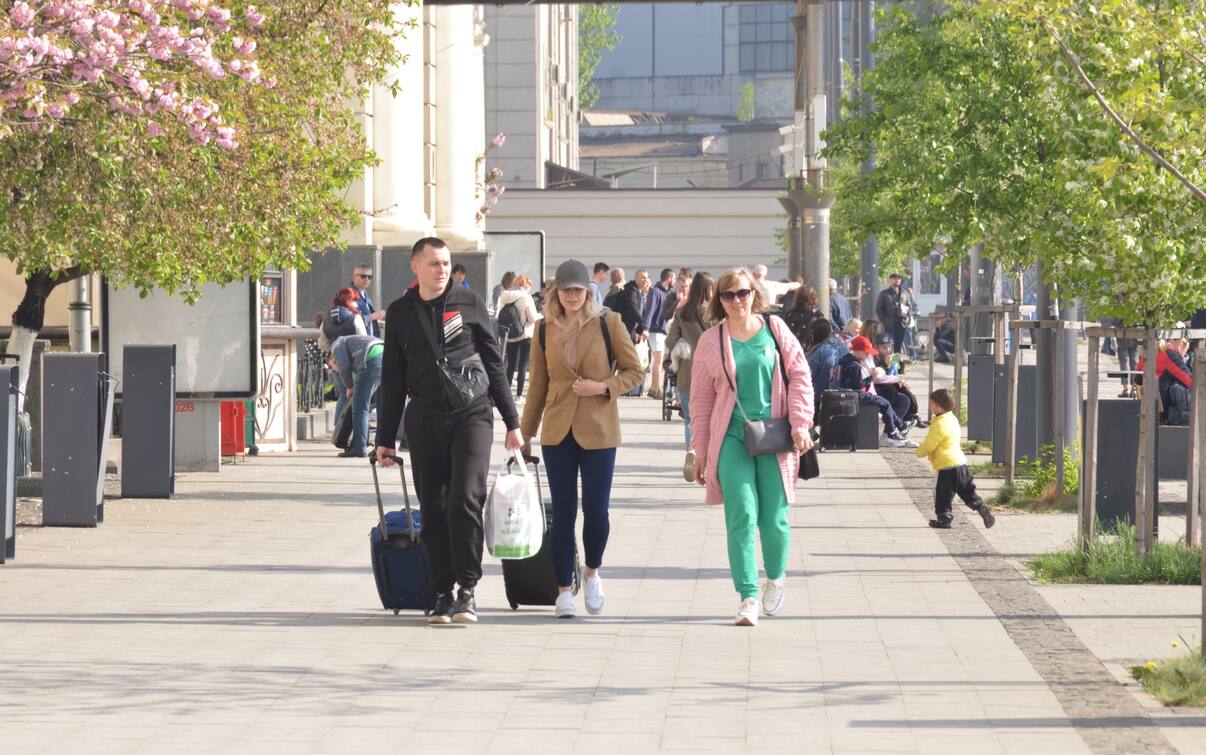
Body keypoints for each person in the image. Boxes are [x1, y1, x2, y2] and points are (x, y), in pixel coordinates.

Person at [375, 237, 523, 626]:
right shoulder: (401, 312)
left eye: (445, 263)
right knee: (434, 508)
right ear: (415, 267)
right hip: (423, 419)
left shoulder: (470, 304)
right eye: (434, 263)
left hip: (472, 415)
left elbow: (495, 365)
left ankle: (468, 590)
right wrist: (384, 439)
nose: (442, 270)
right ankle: (442, 592)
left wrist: (513, 422)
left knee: (464, 500)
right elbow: (392, 378)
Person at [689, 267, 815, 627]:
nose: (736, 301)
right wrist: (699, 450)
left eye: (742, 293)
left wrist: (801, 423)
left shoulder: (775, 330)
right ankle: (747, 596)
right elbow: (700, 400)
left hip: (776, 436)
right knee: (741, 515)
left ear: (754, 294)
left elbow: (801, 376)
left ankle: (774, 578)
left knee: (773, 518)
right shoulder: (711, 341)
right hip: (731, 437)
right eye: (728, 295)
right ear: (719, 301)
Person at [520, 260, 644, 619]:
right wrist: (524, 433)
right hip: (558, 429)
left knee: (597, 510)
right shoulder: (543, 330)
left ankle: (591, 571)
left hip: (599, 428)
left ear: (588, 291)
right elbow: (537, 386)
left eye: (578, 290)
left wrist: (603, 387)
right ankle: (562, 591)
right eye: (566, 290)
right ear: (555, 292)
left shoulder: (609, 322)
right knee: (562, 513)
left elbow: (635, 372)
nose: (572, 296)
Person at [915, 388, 995, 530]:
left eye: (931, 404)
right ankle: (981, 507)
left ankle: (944, 519)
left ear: (939, 407)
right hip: (961, 464)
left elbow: (929, 444)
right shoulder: (951, 418)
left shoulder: (939, 424)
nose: (930, 406)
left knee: (942, 493)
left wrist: (919, 452)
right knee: (967, 491)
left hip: (946, 467)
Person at [665, 271, 715, 481]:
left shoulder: (682, 311)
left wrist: (683, 347)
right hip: (713, 371)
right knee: (714, 418)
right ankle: (710, 460)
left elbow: (670, 341)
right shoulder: (715, 311)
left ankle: (692, 451)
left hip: (688, 372)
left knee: (691, 419)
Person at [836, 335, 911, 447]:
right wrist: (871, 376)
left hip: (849, 393)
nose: (868, 355)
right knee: (884, 403)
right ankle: (892, 431)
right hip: (854, 395)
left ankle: (900, 426)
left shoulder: (846, 360)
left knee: (884, 402)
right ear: (859, 351)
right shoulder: (854, 365)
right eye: (866, 352)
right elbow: (858, 385)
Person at [317, 287, 369, 424]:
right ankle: (348, 429)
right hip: (354, 364)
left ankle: (337, 428)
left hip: (335, 364)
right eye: (355, 301)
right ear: (349, 301)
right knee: (355, 397)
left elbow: (322, 343)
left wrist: (333, 351)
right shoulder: (355, 318)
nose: (357, 304)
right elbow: (363, 340)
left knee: (342, 395)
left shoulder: (326, 320)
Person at [330, 333, 383, 458]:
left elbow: (343, 366)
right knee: (383, 409)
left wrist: (349, 386)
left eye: (332, 366)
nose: (334, 369)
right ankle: (381, 447)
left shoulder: (337, 345)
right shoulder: (353, 343)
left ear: (332, 358)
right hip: (385, 355)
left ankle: (358, 447)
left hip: (371, 360)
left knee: (359, 408)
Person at [497, 274, 543, 398]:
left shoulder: (505, 296)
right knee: (522, 366)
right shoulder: (526, 298)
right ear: (526, 285)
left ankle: (505, 396)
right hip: (525, 335)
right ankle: (518, 396)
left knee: (511, 366)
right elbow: (532, 318)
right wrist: (541, 315)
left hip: (511, 335)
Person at [872, 332, 925, 428]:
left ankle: (914, 415)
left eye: (889, 347)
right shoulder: (877, 359)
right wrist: (885, 364)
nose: (887, 349)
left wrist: (901, 364)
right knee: (898, 393)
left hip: (895, 381)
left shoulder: (894, 357)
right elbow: (881, 376)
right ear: (878, 348)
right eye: (884, 347)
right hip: (884, 384)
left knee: (907, 392)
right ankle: (898, 417)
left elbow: (900, 371)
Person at [638, 269, 670, 399]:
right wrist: (645, 327)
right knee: (658, 361)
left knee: (659, 361)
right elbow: (650, 311)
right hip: (656, 330)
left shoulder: (663, 292)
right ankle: (657, 389)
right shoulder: (656, 292)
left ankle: (653, 387)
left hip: (660, 330)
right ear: (669, 278)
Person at [806, 317, 848, 397]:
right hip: (843, 395)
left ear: (814, 334)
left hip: (821, 396)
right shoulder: (842, 347)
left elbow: (809, 376)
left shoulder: (819, 352)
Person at [1102, 317, 1138, 397]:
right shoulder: (1137, 308)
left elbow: (1114, 324)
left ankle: (1125, 389)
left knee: (1124, 365)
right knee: (1135, 365)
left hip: (1122, 340)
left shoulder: (1120, 309)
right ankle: (1134, 389)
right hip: (1135, 340)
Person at [781, 285, 823, 349]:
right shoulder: (817, 315)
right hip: (811, 351)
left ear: (797, 298)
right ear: (814, 298)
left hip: (793, 350)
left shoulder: (790, 314)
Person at [875, 273, 908, 353]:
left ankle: (896, 363)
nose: (897, 280)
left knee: (898, 345)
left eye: (899, 278)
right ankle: (889, 362)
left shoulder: (904, 293)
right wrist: (885, 321)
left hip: (901, 323)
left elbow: (909, 307)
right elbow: (878, 309)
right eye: (894, 278)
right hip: (889, 324)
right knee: (889, 344)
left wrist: (907, 318)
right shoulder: (884, 293)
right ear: (890, 280)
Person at [351, 263, 384, 337]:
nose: (366, 279)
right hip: (357, 341)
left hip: (368, 340)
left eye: (369, 277)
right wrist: (373, 316)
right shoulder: (349, 295)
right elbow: (350, 320)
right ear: (354, 277)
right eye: (363, 276)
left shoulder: (364, 294)